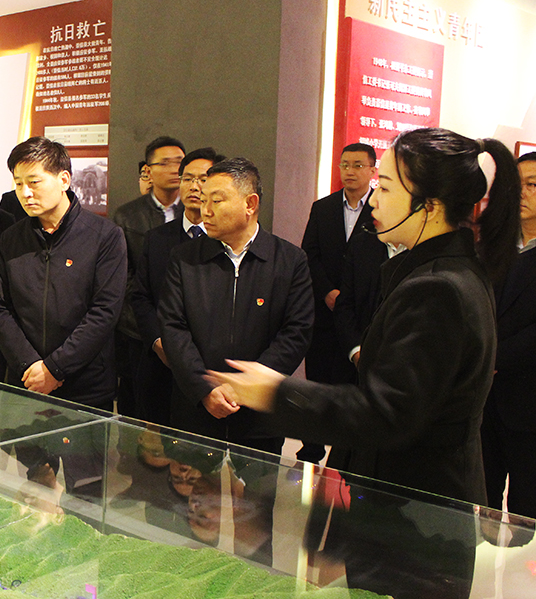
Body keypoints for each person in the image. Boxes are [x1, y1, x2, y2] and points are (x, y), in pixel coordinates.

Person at [209, 128, 521, 599]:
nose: (373, 198)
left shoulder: (438, 288)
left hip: (416, 521)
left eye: (387, 187)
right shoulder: (436, 273)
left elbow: (387, 413)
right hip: (406, 512)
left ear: (429, 206)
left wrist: (277, 393)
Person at [158, 156, 313, 565]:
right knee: (191, 520)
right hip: (196, 411)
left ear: (250, 203)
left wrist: (244, 387)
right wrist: (204, 388)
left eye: (217, 200)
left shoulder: (289, 261)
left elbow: (296, 332)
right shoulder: (185, 258)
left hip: (259, 414)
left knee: (256, 526)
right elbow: (173, 328)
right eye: (202, 198)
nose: (204, 209)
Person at [0, 136, 126, 410]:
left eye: (34, 182)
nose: (25, 193)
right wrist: (29, 365)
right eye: (18, 183)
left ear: (64, 180)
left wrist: (55, 368)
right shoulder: (12, 238)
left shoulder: (104, 236)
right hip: (25, 380)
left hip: (85, 385)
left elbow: (104, 312)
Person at [296, 142, 382, 464]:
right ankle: (312, 447)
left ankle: (346, 452)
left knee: (351, 383)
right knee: (318, 380)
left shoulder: (381, 209)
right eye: (345, 164)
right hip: (324, 310)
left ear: (372, 170)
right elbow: (310, 253)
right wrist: (328, 292)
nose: (350, 171)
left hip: (361, 314)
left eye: (358, 165)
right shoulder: (323, 208)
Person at [129, 147, 223, 424]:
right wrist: (158, 341)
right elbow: (141, 296)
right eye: (187, 178)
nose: (194, 186)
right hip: (161, 364)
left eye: (203, 179)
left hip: (209, 367)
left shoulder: (226, 241)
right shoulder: (157, 238)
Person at [482, 151, 536, 531]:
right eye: (517, 184)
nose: (522, 193)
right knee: (478, 506)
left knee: (525, 514)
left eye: (532, 184)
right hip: (483, 400)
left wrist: (492, 357)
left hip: (528, 401)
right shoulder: (493, 245)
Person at [112, 136, 186, 416]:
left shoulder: (196, 212)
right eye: (165, 163)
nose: (174, 169)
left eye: (179, 162)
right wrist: (148, 326)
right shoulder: (128, 216)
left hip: (184, 328)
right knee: (138, 407)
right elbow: (124, 277)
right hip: (137, 330)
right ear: (148, 171)